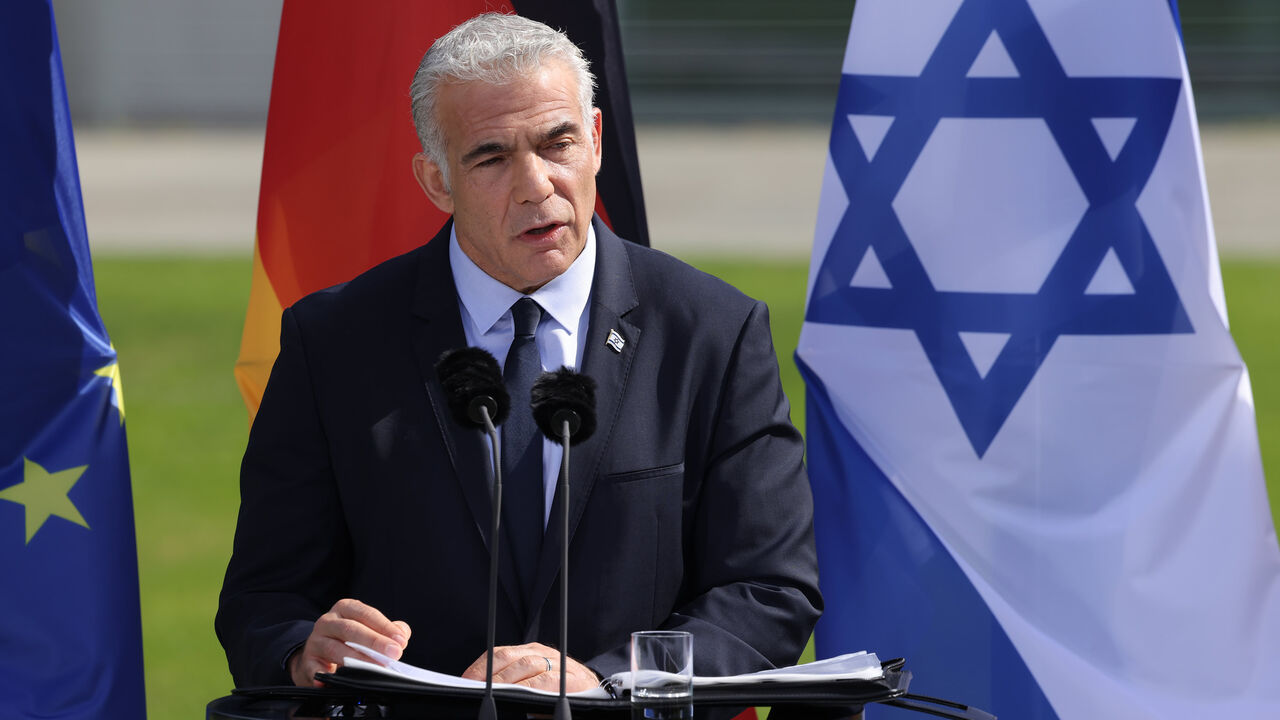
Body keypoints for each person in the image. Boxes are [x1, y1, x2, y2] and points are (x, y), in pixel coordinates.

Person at [215, 12, 821, 694]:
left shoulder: (713, 331)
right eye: (493, 157)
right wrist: (304, 649)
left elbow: (769, 591)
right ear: (436, 181)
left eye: (557, 143)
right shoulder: (332, 343)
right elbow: (263, 604)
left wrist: (610, 685)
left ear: (594, 140)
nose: (536, 185)